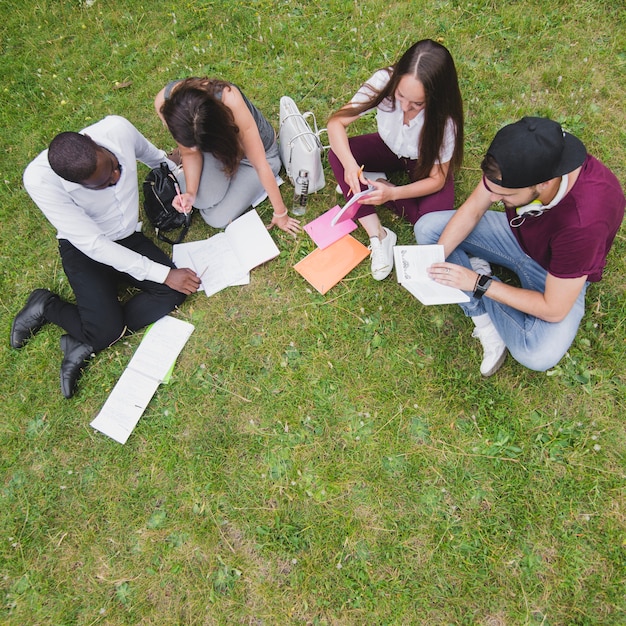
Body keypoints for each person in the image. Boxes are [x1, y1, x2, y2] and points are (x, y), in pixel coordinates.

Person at [415, 116, 625, 376]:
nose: (492, 199)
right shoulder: (522, 160)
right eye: (491, 189)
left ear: (545, 183)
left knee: (536, 353)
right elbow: (473, 210)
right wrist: (430, 261)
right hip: (517, 236)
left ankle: (480, 281)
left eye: (503, 196)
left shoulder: (582, 225)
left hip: (556, 274)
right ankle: (482, 316)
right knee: (427, 230)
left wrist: (479, 283)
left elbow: (554, 308)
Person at [13, 115, 201, 398]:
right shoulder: (40, 180)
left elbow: (153, 156)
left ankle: (88, 339)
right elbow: (94, 245)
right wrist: (164, 273)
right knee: (108, 330)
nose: (115, 179)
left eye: (115, 167)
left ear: (92, 142)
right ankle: (46, 305)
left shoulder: (117, 129)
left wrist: (180, 184)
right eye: (102, 184)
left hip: (126, 237)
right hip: (84, 248)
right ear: (72, 183)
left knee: (173, 294)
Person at [327, 39, 464, 280]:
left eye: (416, 104)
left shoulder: (445, 120)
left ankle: (377, 186)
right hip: (388, 149)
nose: (404, 106)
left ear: (434, 97)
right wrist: (350, 165)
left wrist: (393, 194)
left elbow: (437, 180)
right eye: (400, 96)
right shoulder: (383, 81)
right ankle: (378, 234)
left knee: (430, 226)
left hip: (424, 163)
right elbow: (337, 123)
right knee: (337, 154)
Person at [155, 77, 300, 235]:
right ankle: (202, 182)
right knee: (200, 198)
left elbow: (260, 164)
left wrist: (281, 213)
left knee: (216, 218)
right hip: (215, 153)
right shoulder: (165, 104)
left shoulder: (230, 99)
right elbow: (189, 152)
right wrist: (190, 193)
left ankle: (215, 180)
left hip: (258, 158)